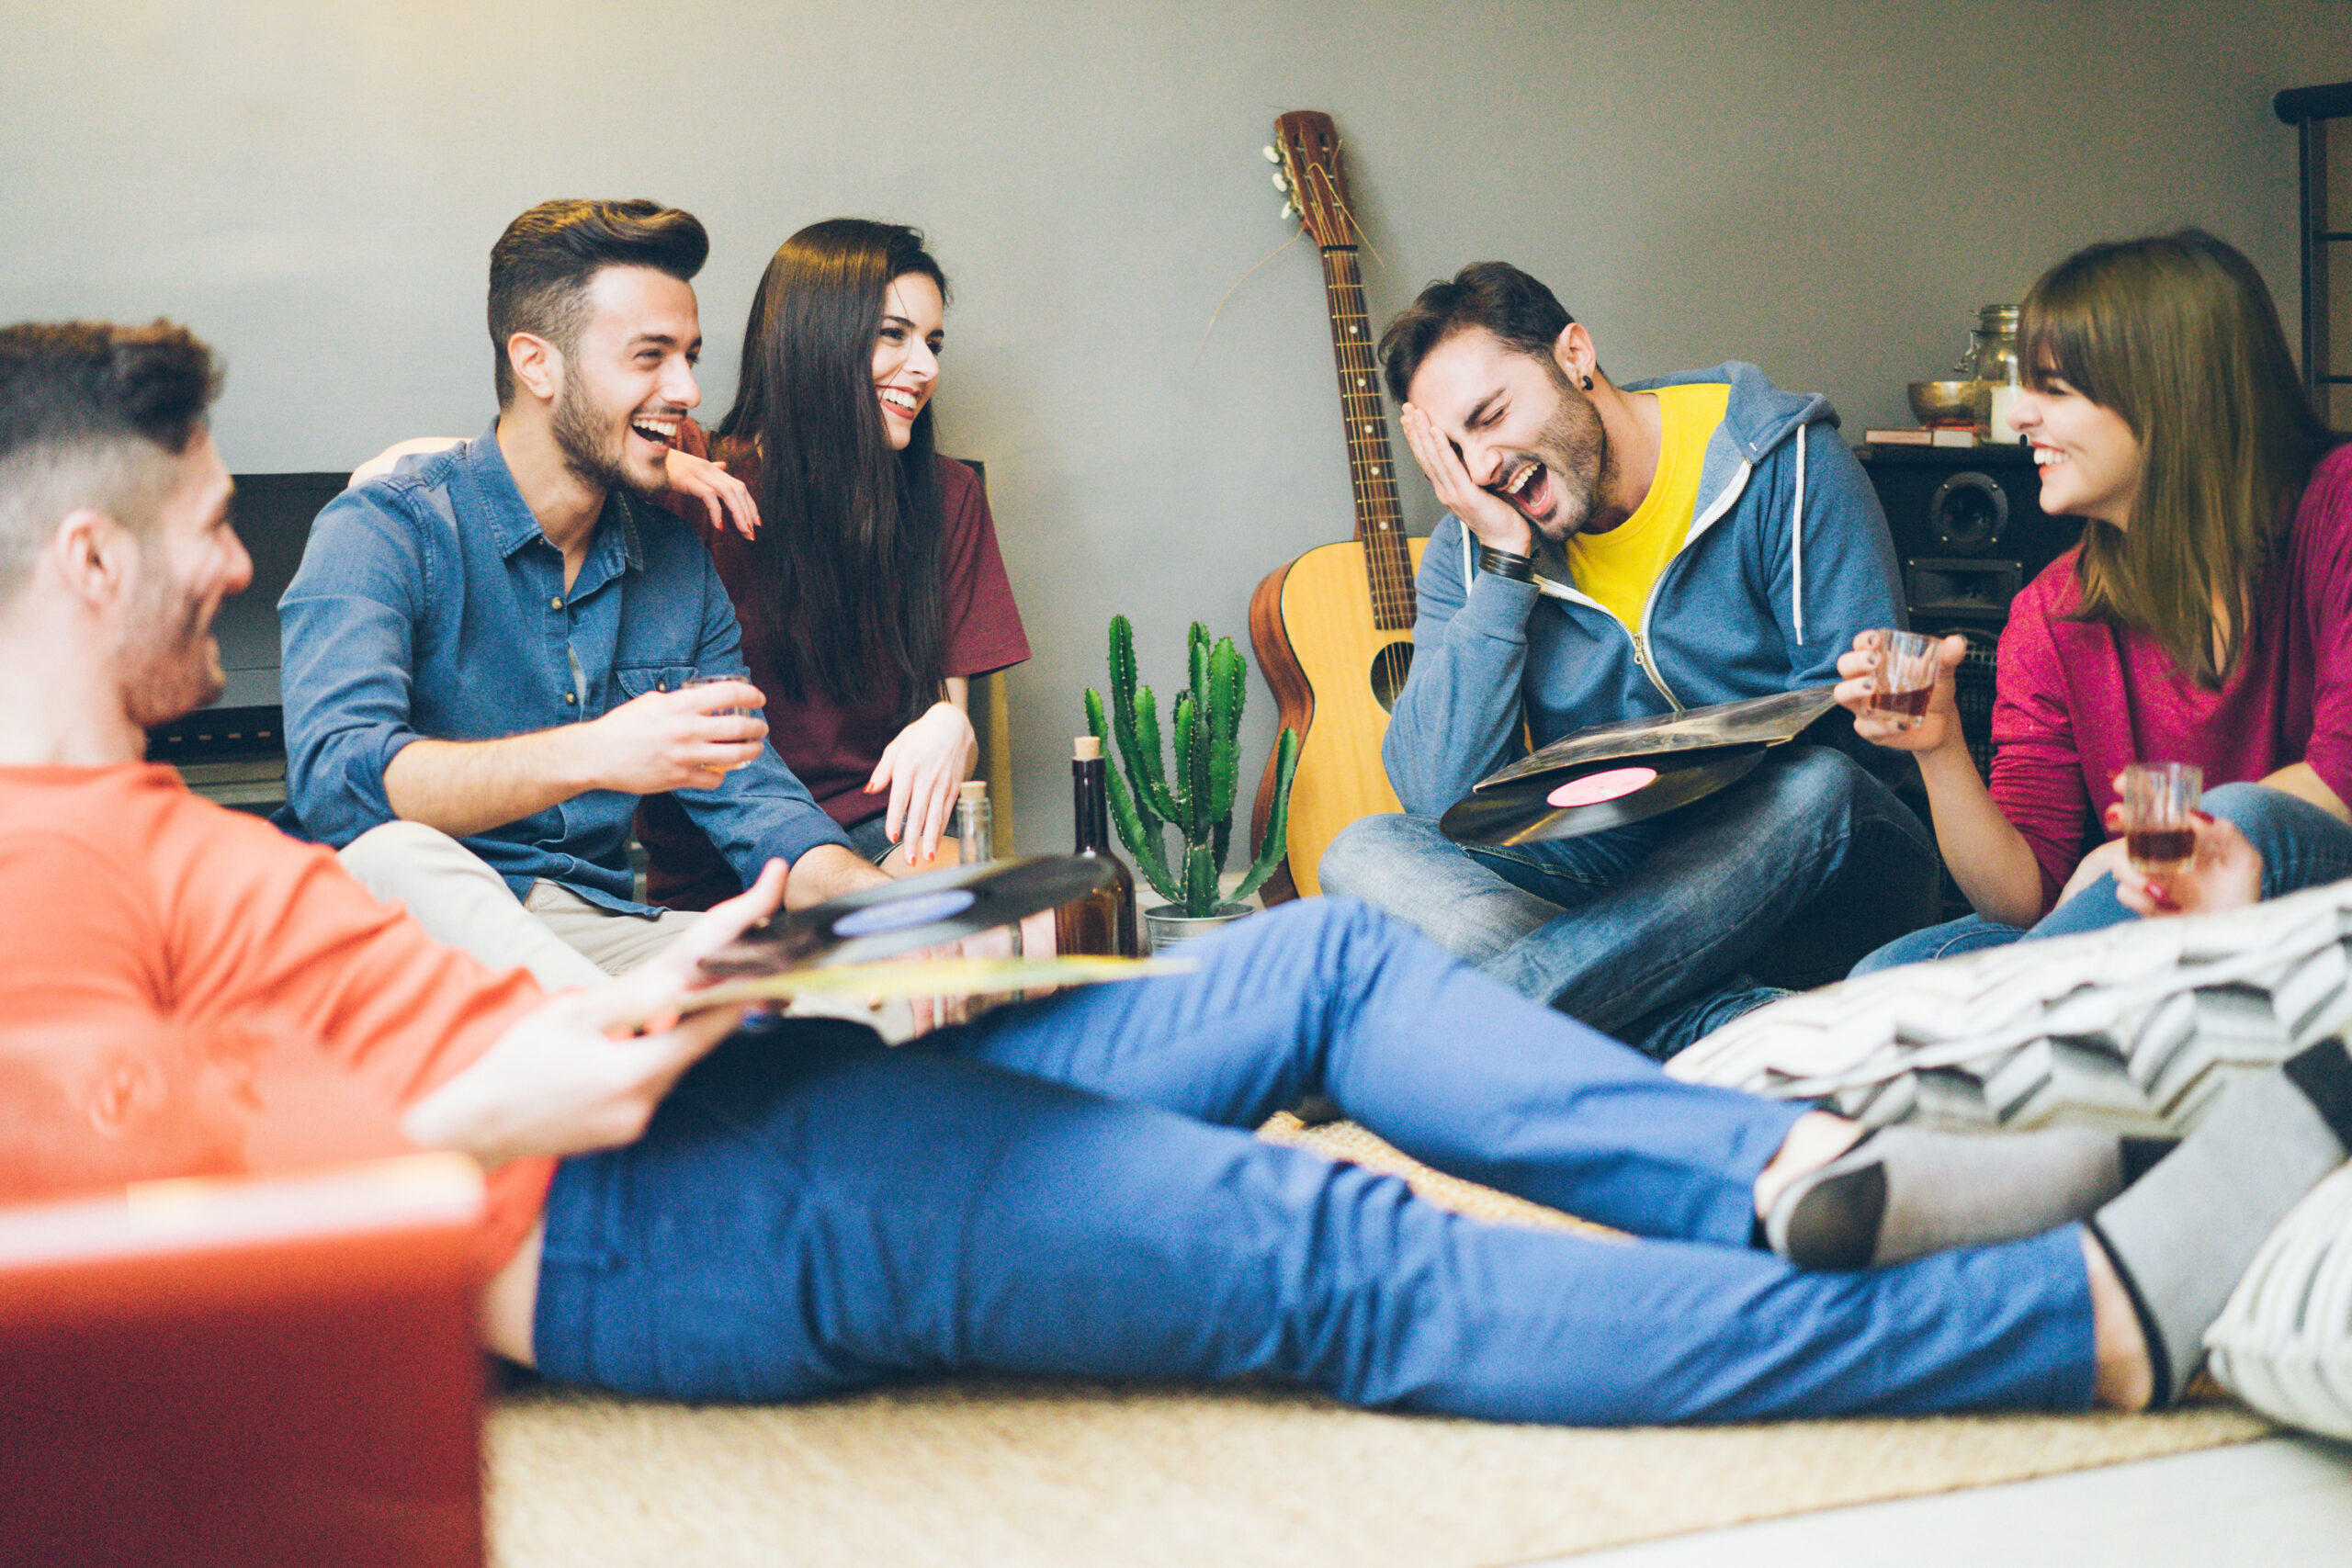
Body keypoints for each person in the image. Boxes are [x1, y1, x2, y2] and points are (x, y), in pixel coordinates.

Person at [8, 317, 2349, 1426]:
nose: (247, 551)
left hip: (695, 1068)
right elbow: (125, 1283)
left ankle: (1781, 1170)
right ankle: (2085, 1313)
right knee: (1333, 1252)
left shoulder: (137, 811)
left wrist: (745, 945)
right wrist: (532, 1079)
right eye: (213, 515)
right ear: (87, 549)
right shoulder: (42, 876)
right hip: (639, 1209)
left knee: (1328, 951)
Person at [1317, 263, 1937, 1057]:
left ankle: (1460, 1039)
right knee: (1366, 851)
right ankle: (1709, 1023)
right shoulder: (1472, 552)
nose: (1481, 469)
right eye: (1457, 447)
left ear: (1575, 354)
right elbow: (1434, 792)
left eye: (1492, 415)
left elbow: (1873, 743)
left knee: (1817, 787)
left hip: (1814, 871)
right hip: (1628, 879)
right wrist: (1506, 567)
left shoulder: (1787, 465)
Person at [276, 200, 896, 987]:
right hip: (410, 940)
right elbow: (337, 783)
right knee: (395, 854)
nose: (689, 390)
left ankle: (626, 1034)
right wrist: (597, 752)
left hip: (596, 938)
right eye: (650, 356)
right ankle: (629, 1032)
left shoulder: (676, 566)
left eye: (691, 356)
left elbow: (758, 805)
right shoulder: (387, 531)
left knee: (871, 989)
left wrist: (900, 913)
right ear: (537, 363)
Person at [1841, 231, 2352, 973]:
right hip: (2140, 923)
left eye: (2054, 389)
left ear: (2172, 394)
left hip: (2315, 907)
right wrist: (1940, 746)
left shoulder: (2335, 505)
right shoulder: (2052, 612)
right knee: (1890, 974)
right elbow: (2025, 897)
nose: (2019, 416)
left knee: (2238, 818)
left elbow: (2341, 776)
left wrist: (2130, 852)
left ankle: (2010, 1023)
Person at [637, 218, 1029, 902]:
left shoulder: (948, 496)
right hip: (724, 858)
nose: (927, 367)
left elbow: (946, 733)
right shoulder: (697, 482)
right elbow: (537, 452)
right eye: (894, 334)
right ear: (816, 337)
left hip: (882, 831)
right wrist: (645, 463)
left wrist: (951, 725)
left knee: (1001, 927)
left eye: (933, 343)